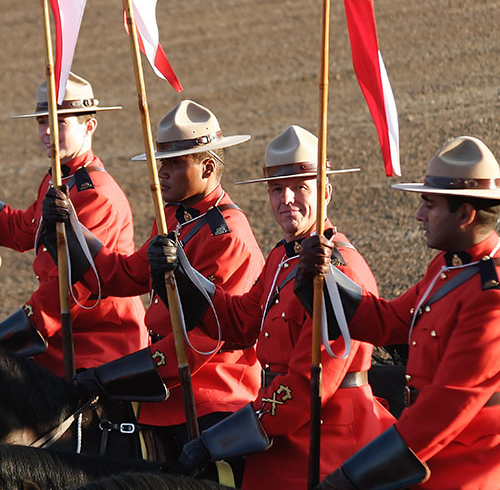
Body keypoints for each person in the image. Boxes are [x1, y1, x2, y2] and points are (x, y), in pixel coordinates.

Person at [150, 125, 395, 489]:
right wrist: (183, 274)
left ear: (325, 192)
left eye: (300, 187)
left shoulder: (339, 270)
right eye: (277, 190)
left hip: (329, 442)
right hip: (282, 434)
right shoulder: (282, 256)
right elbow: (237, 323)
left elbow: (307, 387)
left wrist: (217, 439)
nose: (287, 200)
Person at [41, 99, 265, 473]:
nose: (161, 172)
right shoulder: (174, 218)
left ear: (208, 166)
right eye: (160, 162)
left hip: (211, 395)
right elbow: (122, 274)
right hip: (163, 390)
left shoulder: (227, 237)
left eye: (174, 163)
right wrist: (70, 228)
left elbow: (199, 344)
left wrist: (105, 376)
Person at [301, 135, 500, 489]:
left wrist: (352, 476)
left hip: (467, 467)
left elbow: (446, 405)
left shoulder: (491, 296)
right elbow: (388, 322)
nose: (419, 215)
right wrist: (323, 274)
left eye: (429, 204)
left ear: (466, 214)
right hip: (422, 454)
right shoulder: (446, 267)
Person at [0, 72, 148, 376]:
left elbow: (74, 285)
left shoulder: (95, 194)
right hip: (63, 333)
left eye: (60, 122)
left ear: (89, 126)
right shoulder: (59, 180)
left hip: (98, 340)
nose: (47, 132)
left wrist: (18, 328)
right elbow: (23, 229)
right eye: (42, 122)